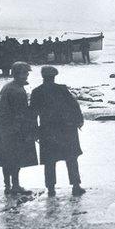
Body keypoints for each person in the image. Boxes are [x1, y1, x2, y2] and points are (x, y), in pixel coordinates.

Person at [30, 66, 86, 197]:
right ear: (54, 76)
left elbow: (32, 114)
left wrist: (35, 131)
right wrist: (79, 121)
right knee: (71, 158)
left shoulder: (36, 92)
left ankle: (51, 189)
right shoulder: (62, 89)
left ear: (43, 76)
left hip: (47, 129)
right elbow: (74, 105)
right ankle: (76, 186)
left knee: (49, 161)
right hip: (66, 129)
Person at [0, 62, 38, 195]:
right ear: (18, 74)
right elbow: (20, 113)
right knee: (16, 158)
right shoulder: (18, 91)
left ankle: (7, 186)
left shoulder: (7, 87)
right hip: (14, 129)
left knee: (5, 158)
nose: (27, 75)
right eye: (25, 73)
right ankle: (15, 185)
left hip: (2, 127)